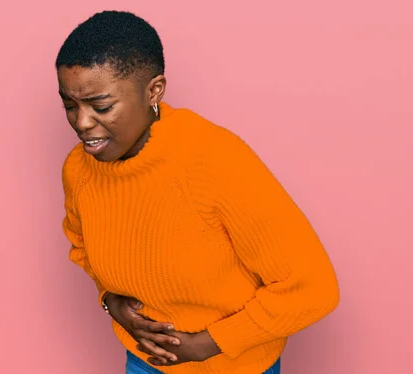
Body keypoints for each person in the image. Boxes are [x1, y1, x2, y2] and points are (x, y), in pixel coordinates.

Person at [56, 10, 340, 374]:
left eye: (102, 106)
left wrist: (210, 344)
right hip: (145, 361)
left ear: (154, 90)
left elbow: (313, 288)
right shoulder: (78, 169)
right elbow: (83, 247)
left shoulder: (214, 161)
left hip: (236, 367)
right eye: (69, 105)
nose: (81, 123)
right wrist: (109, 301)